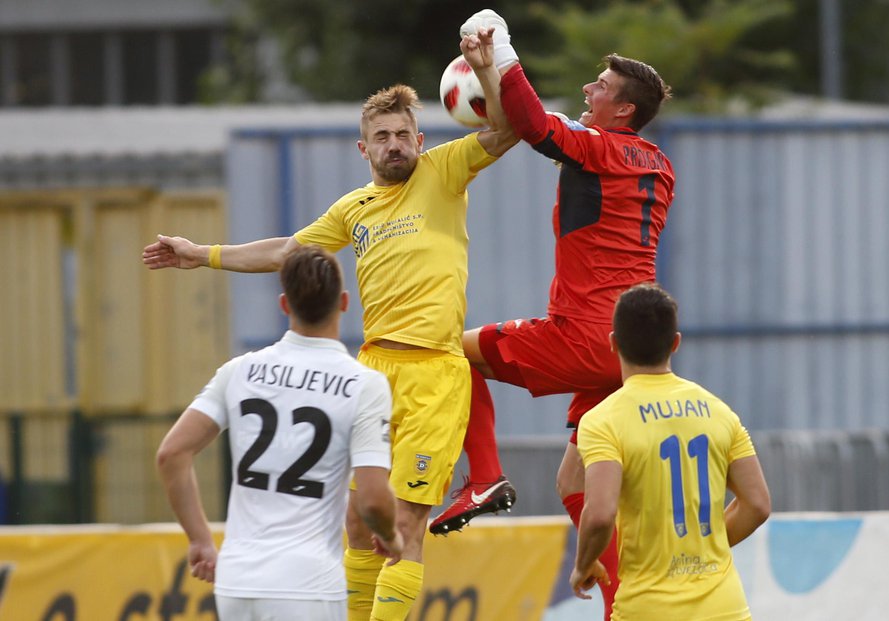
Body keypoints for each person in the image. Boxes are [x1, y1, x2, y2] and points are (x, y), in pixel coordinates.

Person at [144, 78, 517, 619]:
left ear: (420, 139)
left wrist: (488, 71)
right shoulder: (353, 208)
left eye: (404, 134)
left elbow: (508, 130)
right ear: (363, 149)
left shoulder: (444, 171)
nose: (395, 144)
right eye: (382, 136)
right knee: (357, 521)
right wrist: (202, 254)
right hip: (373, 371)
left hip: (435, 373)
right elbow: (287, 251)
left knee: (407, 523)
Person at [431, 11, 675, 619]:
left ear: (623, 111)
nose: (590, 90)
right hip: (627, 350)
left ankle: (483, 476)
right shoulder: (654, 162)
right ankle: (627, 605)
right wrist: (489, 73)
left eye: (601, 86)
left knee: (451, 351)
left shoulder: (604, 150)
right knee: (574, 483)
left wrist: (504, 49)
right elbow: (539, 122)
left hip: (586, 334)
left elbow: (539, 128)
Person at [156, 245, 402, 621]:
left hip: (237, 585)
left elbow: (172, 454)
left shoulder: (240, 371)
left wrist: (200, 540)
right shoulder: (364, 385)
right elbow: (372, 500)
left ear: (285, 305)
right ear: (345, 302)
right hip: (308, 585)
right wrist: (389, 535)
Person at [570, 283, 771, 620]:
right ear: (675, 343)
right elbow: (758, 504)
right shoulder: (719, 411)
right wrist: (705, 550)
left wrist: (582, 565)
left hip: (648, 609)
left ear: (613, 343)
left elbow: (601, 513)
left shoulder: (602, 420)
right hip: (725, 609)